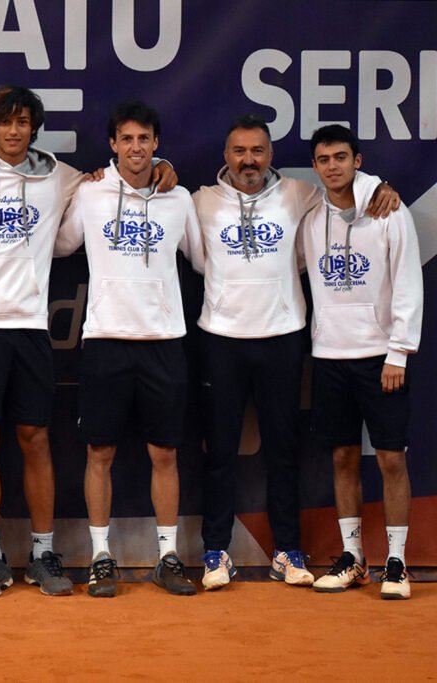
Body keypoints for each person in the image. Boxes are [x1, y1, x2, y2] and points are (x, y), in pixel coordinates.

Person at [0, 85, 179, 598]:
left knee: (36, 439)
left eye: (24, 122)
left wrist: (162, 165)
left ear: (35, 128)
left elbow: (121, 176)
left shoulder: (62, 177)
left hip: (32, 327)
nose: (14, 131)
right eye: (6, 122)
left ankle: (42, 552)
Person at [193, 115, 400, 591]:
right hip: (220, 339)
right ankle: (215, 552)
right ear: (226, 155)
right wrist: (161, 163)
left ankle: (286, 551)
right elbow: (196, 258)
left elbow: (349, 191)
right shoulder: (200, 202)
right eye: (239, 150)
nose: (248, 160)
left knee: (284, 451)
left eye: (258, 151)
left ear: (271, 155)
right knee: (219, 452)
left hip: (284, 338)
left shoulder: (301, 196)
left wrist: (382, 185)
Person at [55, 101, 203, 597]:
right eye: (126, 139)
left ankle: (167, 557)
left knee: (165, 453)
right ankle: (101, 556)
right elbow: (59, 245)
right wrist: (76, 186)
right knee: (100, 451)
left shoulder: (179, 198)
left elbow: (203, 260)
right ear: (113, 145)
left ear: (156, 144)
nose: (136, 148)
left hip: (164, 341)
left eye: (145, 139)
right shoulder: (92, 194)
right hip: (104, 340)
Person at [302, 125, 421, 600]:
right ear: (315, 166)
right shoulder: (310, 217)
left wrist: (399, 351)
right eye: (324, 159)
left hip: (381, 358)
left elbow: (408, 283)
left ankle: (398, 562)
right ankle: (354, 558)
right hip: (330, 355)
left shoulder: (390, 212)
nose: (332, 165)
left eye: (340, 157)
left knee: (391, 458)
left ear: (358, 160)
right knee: (343, 456)